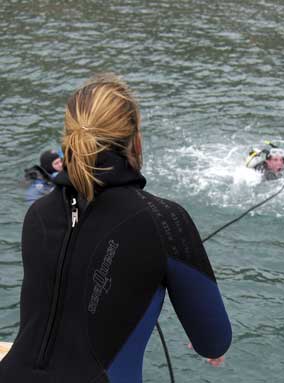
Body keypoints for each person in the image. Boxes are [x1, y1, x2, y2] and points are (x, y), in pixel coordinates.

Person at [0, 74, 231, 383]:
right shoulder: (162, 219)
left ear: (68, 139)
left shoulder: (38, 214)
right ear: (135, 140)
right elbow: (213, 342)